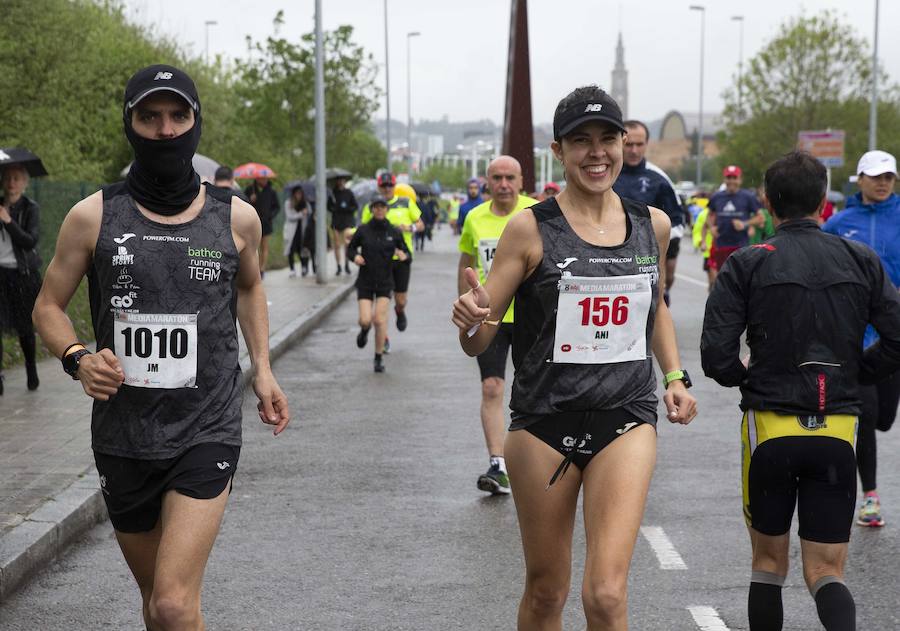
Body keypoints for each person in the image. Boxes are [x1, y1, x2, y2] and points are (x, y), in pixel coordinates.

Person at [31, 64, 290, 630]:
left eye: (178, 115)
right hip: (124, 432)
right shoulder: (93, 216)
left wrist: (263, 369)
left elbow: (249, 288)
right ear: (131, 124)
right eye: (150, 117)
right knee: (158, 607)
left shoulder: (237, 218)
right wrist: (78, 359)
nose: (166, 129)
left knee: (173, 602)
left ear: (196, 122)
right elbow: (46, 307)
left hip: (207, 424)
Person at [452, 85, 696, 628]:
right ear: (558, 151)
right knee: (545, 592)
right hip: (543, 424)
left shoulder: (649, 224)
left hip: (626, 419)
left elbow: (653, 306)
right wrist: (472, 321)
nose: (597, 152)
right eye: (580, 141)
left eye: (607, 139)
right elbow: (481, 339)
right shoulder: (530, 228)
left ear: (623, 143)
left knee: (606, 594)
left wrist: (675, 375)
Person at [701, 150, 900, 631]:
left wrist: (745, 377)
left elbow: (716, 356)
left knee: (768, 566)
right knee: (827, 571)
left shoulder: (747, 262)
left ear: (768, 201)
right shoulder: (860, 258)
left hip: (770, 427)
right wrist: (856, 374)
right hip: (837, 428)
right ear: (823, 202)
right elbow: (897, 336)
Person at [823, 149, 900, 528]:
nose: (883, 183)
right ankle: (870, 496)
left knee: (885, 417)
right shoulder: (840, 223)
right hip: (858, 336)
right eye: (875, 176)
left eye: (889, 177)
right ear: (860, 179)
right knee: (865, 416)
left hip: (895, 333)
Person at [457, 155, 539, 495]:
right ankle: (498, 464)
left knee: (534, 390)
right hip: (490, 317)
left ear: (521, 181)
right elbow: (466, 264)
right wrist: (466, 310)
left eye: (510, 177)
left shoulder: (537, 213)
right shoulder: (474, 218)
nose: (503, 184)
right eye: (497, 178)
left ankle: (538, 461)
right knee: (492, 387)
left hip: (532, 317)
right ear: (487, 182)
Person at [612, 119, 685, 305]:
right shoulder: (604, 174)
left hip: (648, 258)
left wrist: (657, 243)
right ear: (620, 141)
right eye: (629, 144)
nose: (634, 150)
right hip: (610, 258)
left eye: (639, 144)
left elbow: (677, 222)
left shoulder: (659, 179)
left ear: (647, 144)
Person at [347, 194, 410, 373]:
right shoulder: (363, 230)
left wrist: (404, 256)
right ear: (372, 209)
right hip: (365, 281)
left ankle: (378, 357)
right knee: (366, 319)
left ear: (387, 209)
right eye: (376, 207)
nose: (380, 209)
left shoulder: (394, 231)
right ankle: (364, 330)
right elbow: (350, 248)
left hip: (385, 282)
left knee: (379, 319)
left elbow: (407, 254)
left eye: (382, 207)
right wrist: (355, 257)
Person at [360, 172, 423, 341]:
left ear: (395, 186)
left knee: (400, 300)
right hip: (380, 261)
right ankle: (384, 337)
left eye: (390, 185)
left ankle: (400, 311)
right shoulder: (372, 206)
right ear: (379, 187)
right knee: (382, 302)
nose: (387, 188)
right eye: (384, 185)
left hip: (402, 259)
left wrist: (410, 228)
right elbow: (363, 229)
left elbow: (421, 224)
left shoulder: (405, 202)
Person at [0, 164, 42, 394]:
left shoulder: (30, 208)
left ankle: (31, 367)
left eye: (16, 179)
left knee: (24, 327)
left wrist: (8, 221)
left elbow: (29, 241)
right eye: (8, 178)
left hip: (22, 276)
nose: (12, 183)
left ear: (24, 183)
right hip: (0, 274)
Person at [702, 165, 764, 284]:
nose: (731, 181)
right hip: (721, 245)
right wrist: (711, 227)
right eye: (728, 177)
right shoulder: (717, 196)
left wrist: (745, 224)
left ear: (739, 179)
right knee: (720, 281)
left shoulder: (748, 197)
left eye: (734, 178)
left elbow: (761, 218)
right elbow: (709, 215)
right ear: (724, 179)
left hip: (740, 246)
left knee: (739, 281)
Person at [244, 175, 280, 277]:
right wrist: (250, 199)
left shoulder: (271, 191)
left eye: (265, 178)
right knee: (253, 246)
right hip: (253, 221)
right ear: (257, 178)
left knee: (264, 246)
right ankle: (253, 268)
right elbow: (243, 202)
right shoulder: (250, 189)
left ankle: (262, 269)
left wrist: (270, 216)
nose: (264, 180)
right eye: (261, 178)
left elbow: (277, 207)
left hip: (266, 223)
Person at [328, 176, 358, 276]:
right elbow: (329, 206)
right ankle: (338, 266)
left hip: (347, 221)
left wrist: (347, 208)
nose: (341, 182)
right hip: (336, 221)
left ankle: (346, 264)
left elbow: (355, 206)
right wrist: (334, 208)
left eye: (342, 181)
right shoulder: (333, 193)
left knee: (346, 243)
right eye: (339, 181)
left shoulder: (349, 193)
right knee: (336, 245)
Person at [284, 185, 314, 277]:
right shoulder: (288, 203)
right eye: (297, 193)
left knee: (303, 249)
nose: (299, 195)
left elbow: (310, 211)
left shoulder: (305, 203)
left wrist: (306, 209)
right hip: (292, 230)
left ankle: (304, 267)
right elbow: (290, 216)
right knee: (291, 249)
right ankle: (292, 269)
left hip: (302, 230)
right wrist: (301, 214)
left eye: (300, 193)